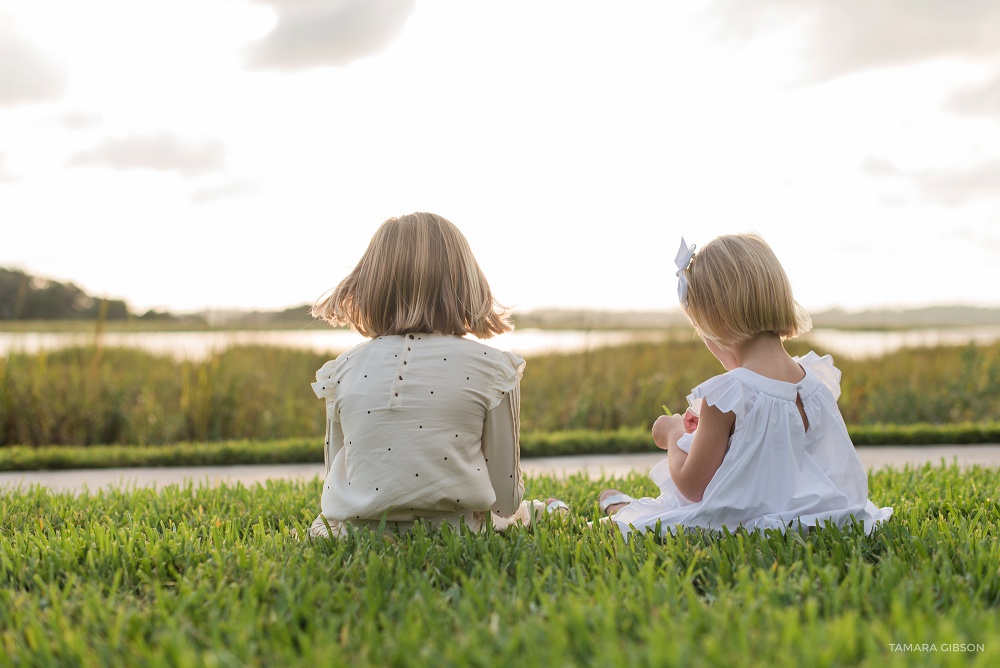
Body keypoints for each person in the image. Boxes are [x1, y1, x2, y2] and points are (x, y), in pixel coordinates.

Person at [599, 233, 893, 537]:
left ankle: (615, 509)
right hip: (819, 517)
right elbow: (780, 455)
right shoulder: (815, 380)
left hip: (747, 522)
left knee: (647, 522)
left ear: (718, 323)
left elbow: (693, 485)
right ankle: (619, 506)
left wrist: (673, 434)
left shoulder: (728, 392)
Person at [305, 212, 563, 539]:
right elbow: (505, 500)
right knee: (524, 513)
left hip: (354, 533)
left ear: (370, 282)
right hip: (455, 532)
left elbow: (337, 478)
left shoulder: (340, 370)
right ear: (466, 280)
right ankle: (549, 509)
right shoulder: (495, 368)